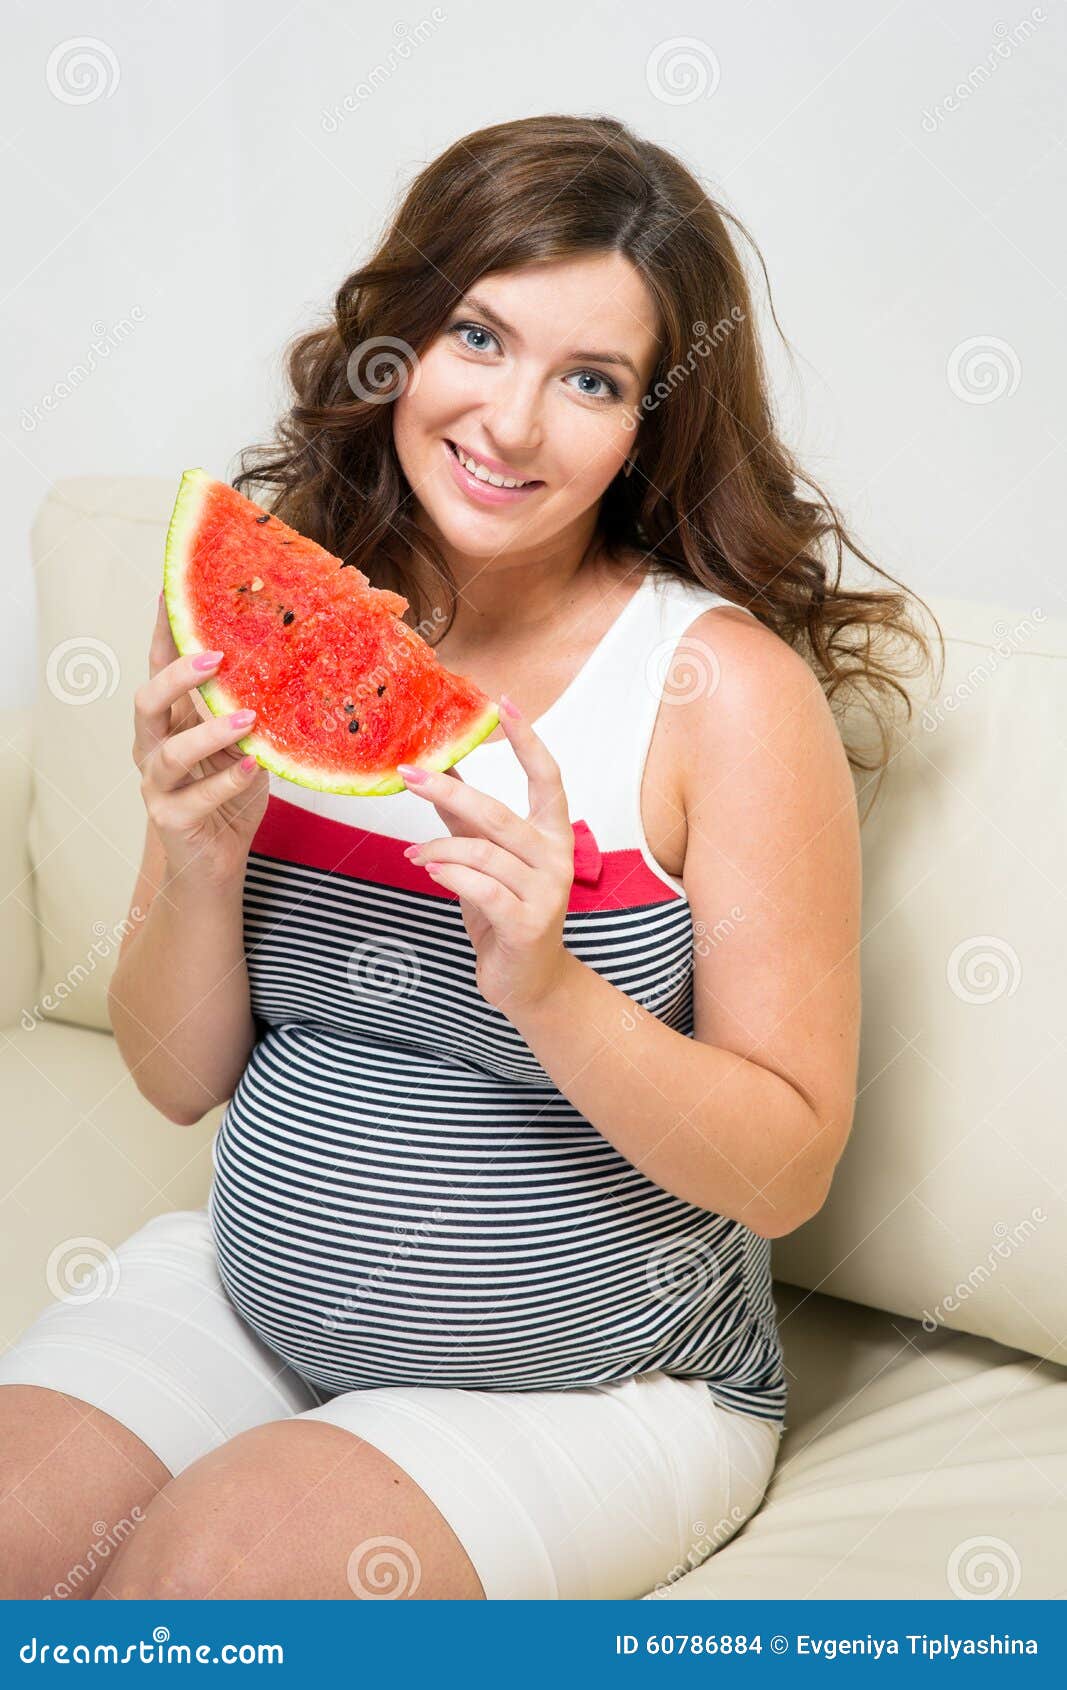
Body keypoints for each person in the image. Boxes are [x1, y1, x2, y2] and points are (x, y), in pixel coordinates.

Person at [0, 114, 938, 1601]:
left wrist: (553, 988)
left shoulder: (720, 694)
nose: (510, 424)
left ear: (650, 425)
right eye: (478, 338)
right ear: (401, 344)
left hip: (601, 1384)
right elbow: (180, 1076)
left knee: (207, 1589)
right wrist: (195, 860)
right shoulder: (277, 598)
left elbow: (787, 1168)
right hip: (252, 1295)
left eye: (591, 380)